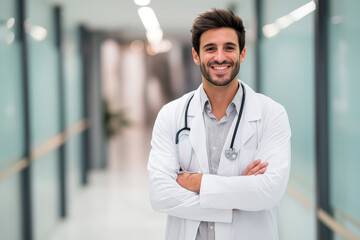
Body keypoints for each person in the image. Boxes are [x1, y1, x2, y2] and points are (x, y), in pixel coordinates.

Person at [148, 8, 291, 240]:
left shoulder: (271, 114)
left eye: (229, 48)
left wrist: (197, 182)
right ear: (196, 56)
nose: (220, 57)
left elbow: (269, 191)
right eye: (210, 48)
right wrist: (238, 195)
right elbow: (160, 194)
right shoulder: (171, 115)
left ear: (242, 54)